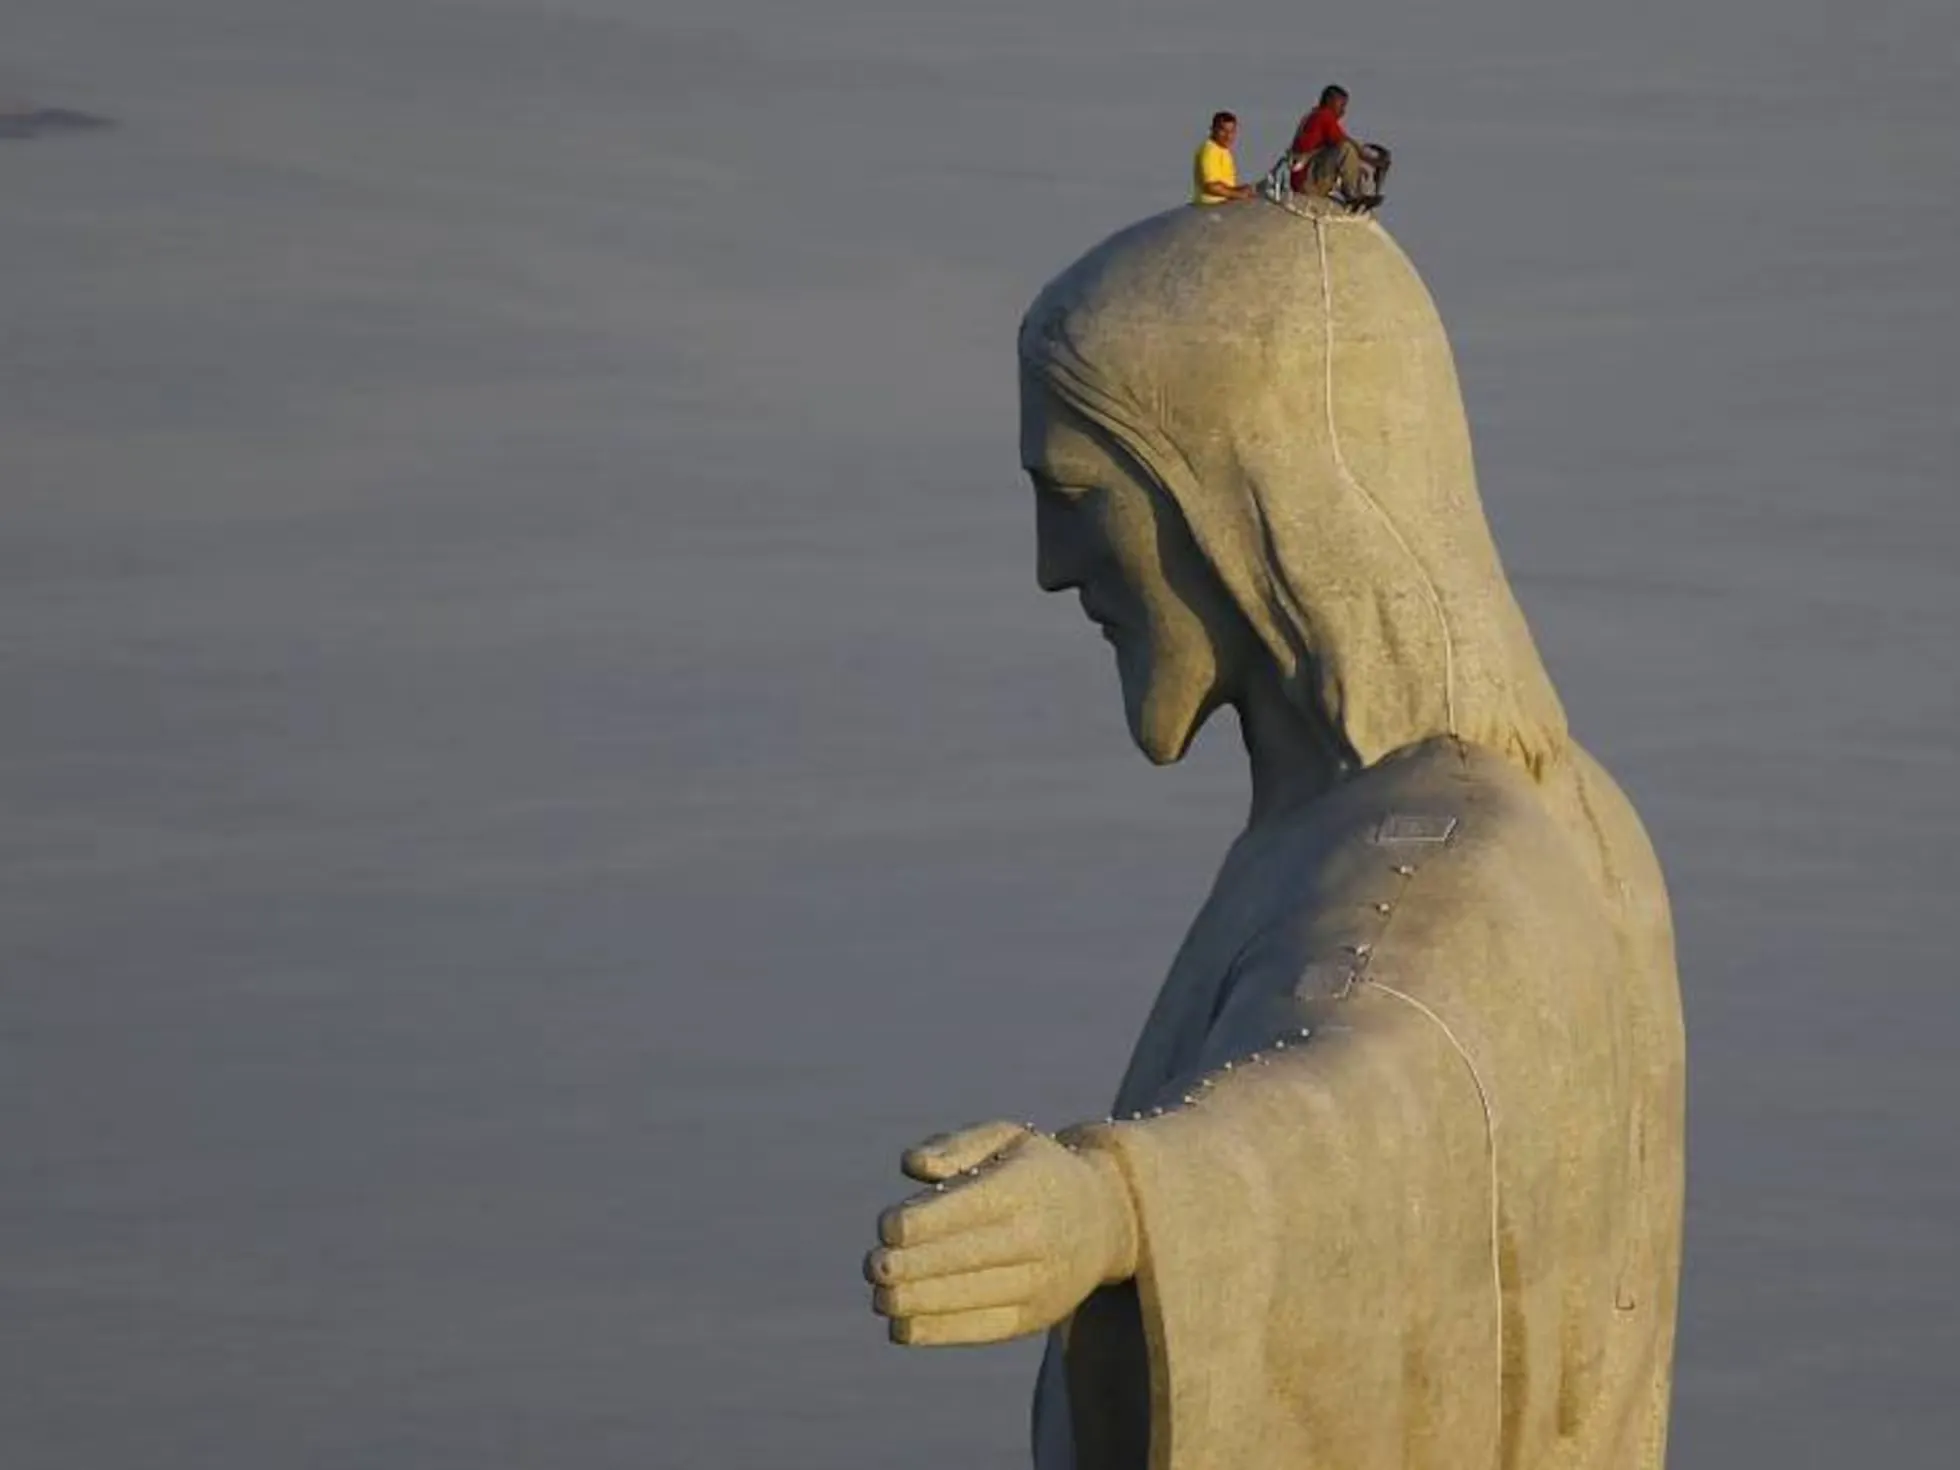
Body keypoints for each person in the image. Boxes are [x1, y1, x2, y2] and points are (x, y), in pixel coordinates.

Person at [865, 202, 1685, 1470]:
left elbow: (1378, 1092)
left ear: (1243, 497)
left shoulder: (1451, 869)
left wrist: (1117, 1210)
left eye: (1079, 493)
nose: (1048, 566)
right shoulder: (1542, 805)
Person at [1288, 84, 1391, 209]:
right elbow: (1343, 142)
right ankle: (1354, 196)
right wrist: (1373, 161)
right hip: (1307, 181)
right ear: (1330, 102)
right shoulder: (1324, 116)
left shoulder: (1313, 116)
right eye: (1341, 105)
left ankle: (1358, 193)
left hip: (1302, 180)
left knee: (1351, 157)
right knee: (1346, 149)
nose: (1343, 111)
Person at [1191, 111, 1255, 206]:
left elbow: (1223, 185)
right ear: (1212, 130)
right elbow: (1211, 187)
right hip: (1210, 207)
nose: (1228, 136)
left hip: (1222, 205)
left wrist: (1239, 189)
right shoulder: (1210, 150)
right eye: (1223, 131)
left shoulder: (1223, 150)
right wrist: (1238, 194)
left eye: (1232, 131)